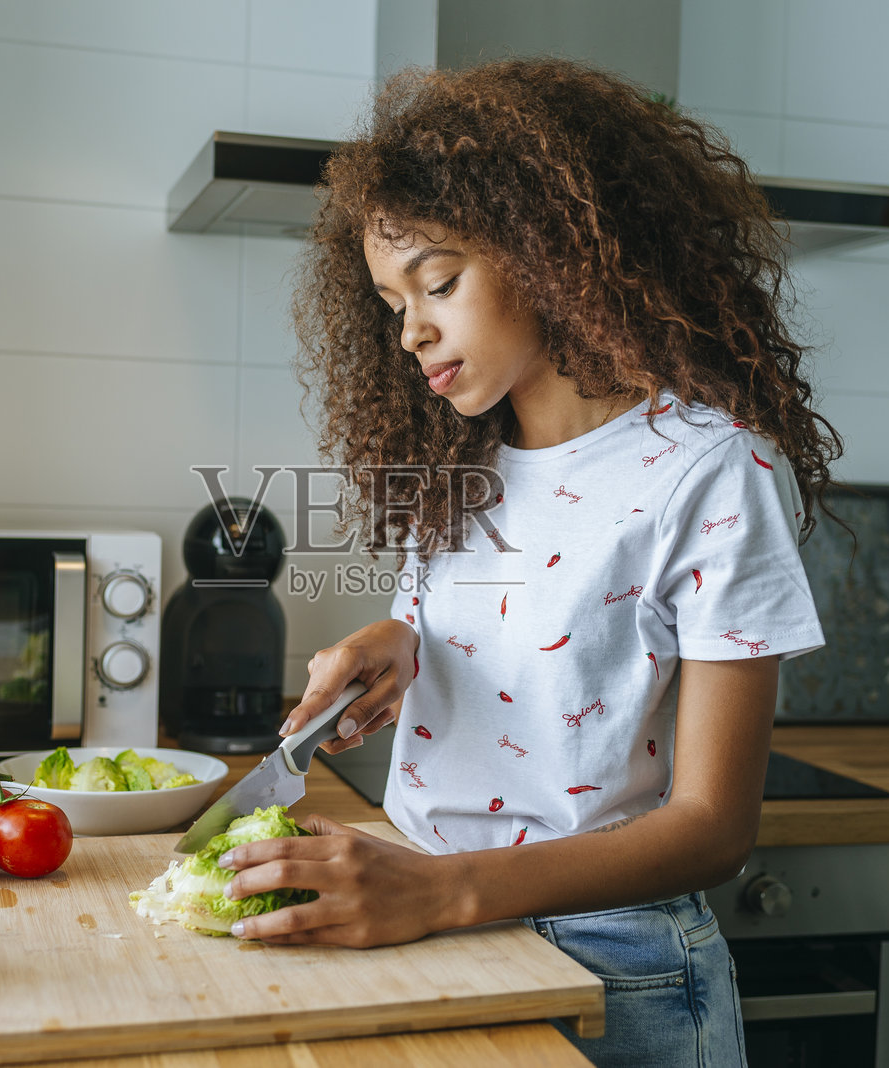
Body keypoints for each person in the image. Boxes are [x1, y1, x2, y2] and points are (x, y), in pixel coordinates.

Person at [215, 57, 842, 1066]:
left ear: (551, 250)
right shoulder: (454, 466)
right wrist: (399, 643)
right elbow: (508, 634)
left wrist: (442, 891)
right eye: (391, 302)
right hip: (432, 925)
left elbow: (714, 829)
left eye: (439, 283)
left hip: (611, 961)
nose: (412, 330)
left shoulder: (710, 469)